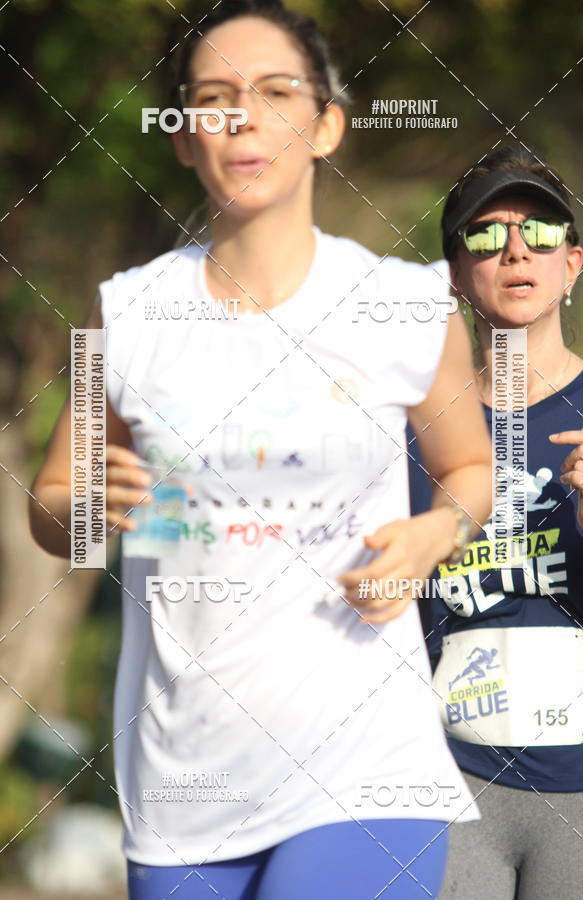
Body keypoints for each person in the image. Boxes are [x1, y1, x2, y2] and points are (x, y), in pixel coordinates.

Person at [29, 2, 492, 897]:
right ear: (181, 136)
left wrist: (435, 534)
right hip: (181, 785)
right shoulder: (121, 314)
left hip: (365, 767)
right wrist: (85, 505)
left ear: (326, 127)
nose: (242, 117)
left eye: (277, 93)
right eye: (211, 97)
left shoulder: (404, 304)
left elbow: (469, 470)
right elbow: (57, 508)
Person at [408, 144, 583, 899]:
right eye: (486, 234)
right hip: (446, 783)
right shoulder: (413, 427)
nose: (516, 250)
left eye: (540, 232)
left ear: (571, 263)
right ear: (457, 274)